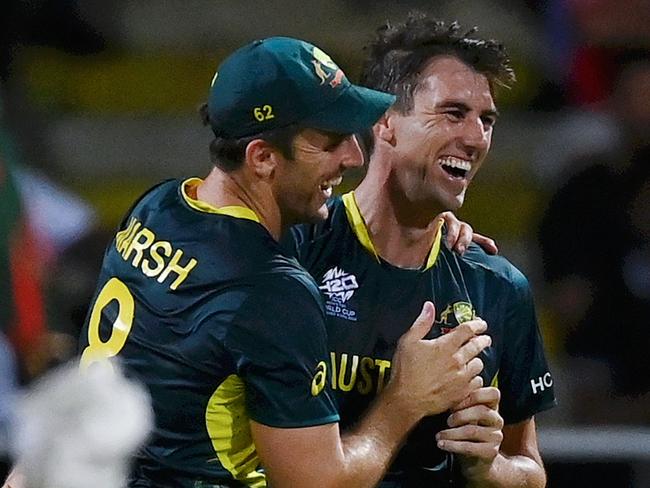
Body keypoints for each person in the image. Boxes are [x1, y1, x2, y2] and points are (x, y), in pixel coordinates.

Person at [69, 37, 491, 488]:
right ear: (263, 157)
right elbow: (320, 483)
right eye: (329, 141)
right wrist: (403, 401)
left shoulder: (159, 206)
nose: (353, 155)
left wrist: (417, 222)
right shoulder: (271, 292)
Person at [286, 14, 557, 487]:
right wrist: (405, 399)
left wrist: (487, 466)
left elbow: (531, 472)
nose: (475, 139)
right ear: (385, 122)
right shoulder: (295, 251)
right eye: (453, 113)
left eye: (486, 120)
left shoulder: (496, 285)